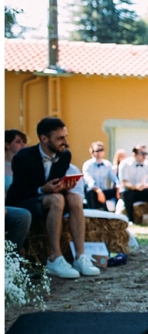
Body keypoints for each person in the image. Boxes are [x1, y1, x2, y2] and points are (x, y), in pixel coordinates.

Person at [6, 117, 101, 278]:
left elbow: (56, 186)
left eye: (65, 136)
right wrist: (42, 189)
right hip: (24, 203)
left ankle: (80, 257)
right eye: (60, 138)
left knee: (75, 197)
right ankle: (55, 258)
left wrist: (65, 187)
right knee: (56, 199)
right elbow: (18, 193)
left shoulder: (64, 155)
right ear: (44, 139)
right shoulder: (23, 157)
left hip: (51, 200)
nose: (66, 142)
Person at [119, 144, 148, 225]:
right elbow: (124, 182)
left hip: (143, 190)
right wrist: (135, 187)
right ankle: (130, 219)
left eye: (145, 153)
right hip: (130, 191)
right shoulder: (125, 164)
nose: (144, 156)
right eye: (141, 153)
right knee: (126, 193)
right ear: (134, 154)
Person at [5, 129, 31, 251]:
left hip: (17, 203)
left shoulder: (24, 166)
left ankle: (12, 256)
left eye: (24, 142)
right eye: (18, 142)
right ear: (7, 144)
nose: (23, 145)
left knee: (24, 214)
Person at [82, 141, 119, 211]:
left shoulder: (107, 164)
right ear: (92, 153)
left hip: (103, 191)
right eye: (97, 150)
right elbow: (89, 180)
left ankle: (118, 214)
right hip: (93, 191)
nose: (99, 152)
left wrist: (118, 187)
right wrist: (98, 191)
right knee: (90, 191)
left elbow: (114, 178)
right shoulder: (87, 165)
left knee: (120, 191)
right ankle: (93, 214)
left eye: (101, 150)